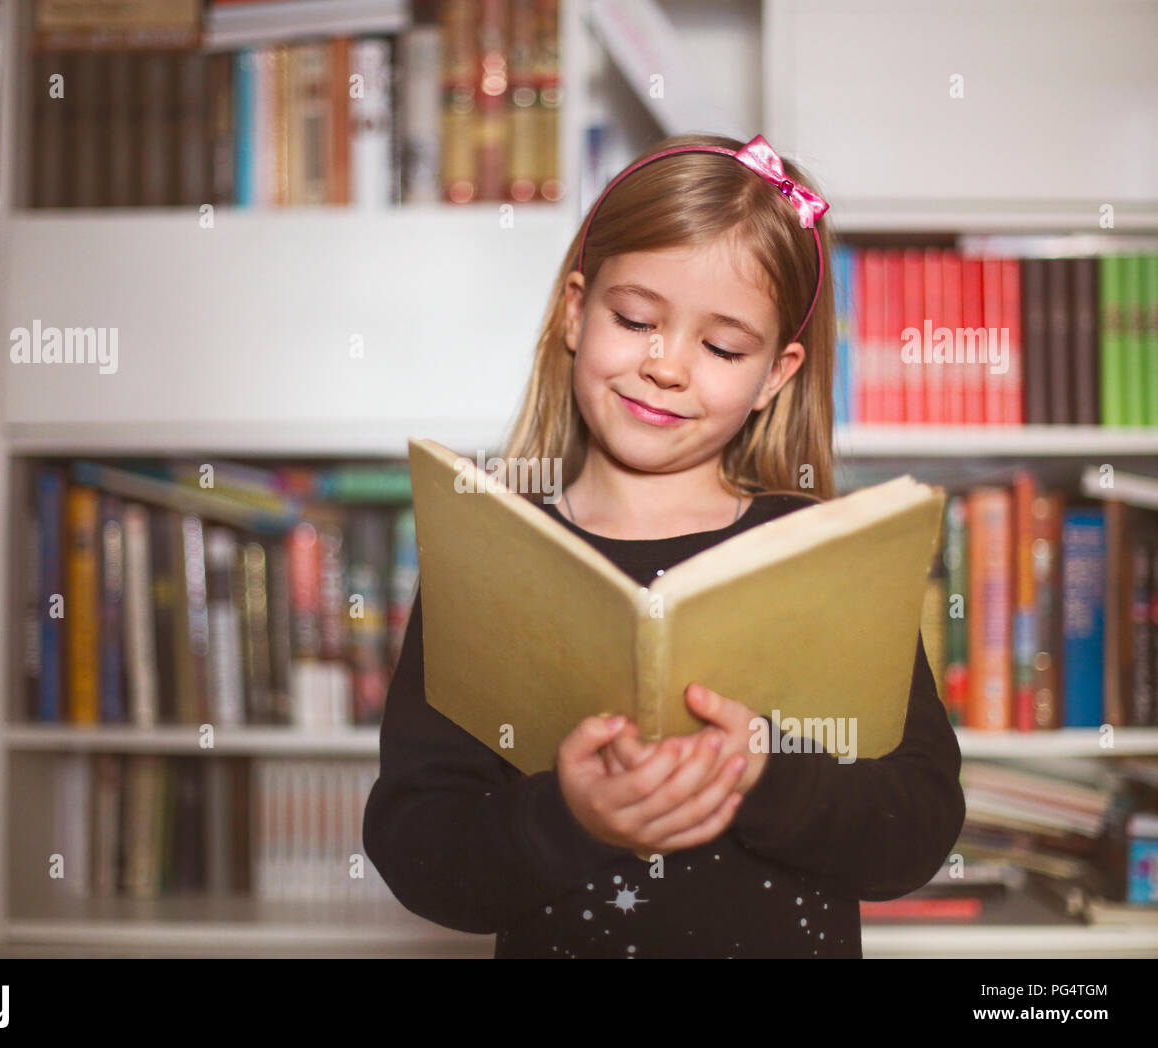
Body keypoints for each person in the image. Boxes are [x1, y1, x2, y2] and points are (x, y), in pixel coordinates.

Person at [363, 133, 965, 958]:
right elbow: (416, 844)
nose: (666, 366)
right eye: (637, 319)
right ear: (576, 312)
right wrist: (568, 818)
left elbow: (918, 828)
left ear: (775, 376)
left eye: (721, 347)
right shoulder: (491, 555)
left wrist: (763, 774)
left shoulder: (820, 557)